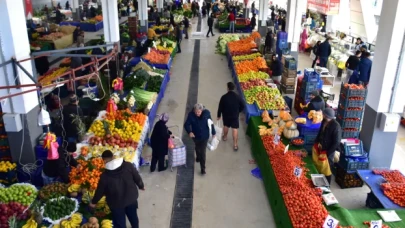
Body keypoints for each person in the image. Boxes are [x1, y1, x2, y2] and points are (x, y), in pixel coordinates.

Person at [90, 150, 145, 228]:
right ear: (113, 156)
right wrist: (141, 186)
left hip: (116, 203)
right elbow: (137, 177)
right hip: (131, 198)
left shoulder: (105, 176)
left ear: (104, 161)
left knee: (120, 222)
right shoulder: (128, 165)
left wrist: (94, 202)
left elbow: (100, 191)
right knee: (133, 217)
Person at [184, 103, 216, 175]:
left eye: (198, 112)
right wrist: (189, 132)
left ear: (202, 110)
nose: (197, 113)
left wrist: (213, 132)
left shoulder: (207, 114)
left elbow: (211, 123)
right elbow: (186, 124)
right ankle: (198, 157)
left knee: (203, 153)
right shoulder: (191, 115)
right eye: (195, 112)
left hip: (205, 137)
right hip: (195, 137)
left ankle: (203, 169)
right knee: (197, 148)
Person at [313, 108, 341, 184]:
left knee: (327, 168)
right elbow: (320, 132)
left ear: (326, 115)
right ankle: (319, 180)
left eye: (323, 114)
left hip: (329, 151)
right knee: (321, 165)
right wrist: (316, 142)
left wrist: (328, 153)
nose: (322, 115)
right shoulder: (324, 121)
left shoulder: (336, 126)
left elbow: (336, 142)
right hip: (322, 147)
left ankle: (327, 184)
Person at [217, 82, 244, 151]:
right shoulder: (238, 97)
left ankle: (225, 137)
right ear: (234, 88)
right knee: (235, 129)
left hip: (226, 115)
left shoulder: (224, 97)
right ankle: (235, 145)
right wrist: (238, 111)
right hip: (234, 115)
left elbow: (220, 107)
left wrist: (219, 115)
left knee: (226, 126)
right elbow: (243, 106)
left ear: (228, 88)